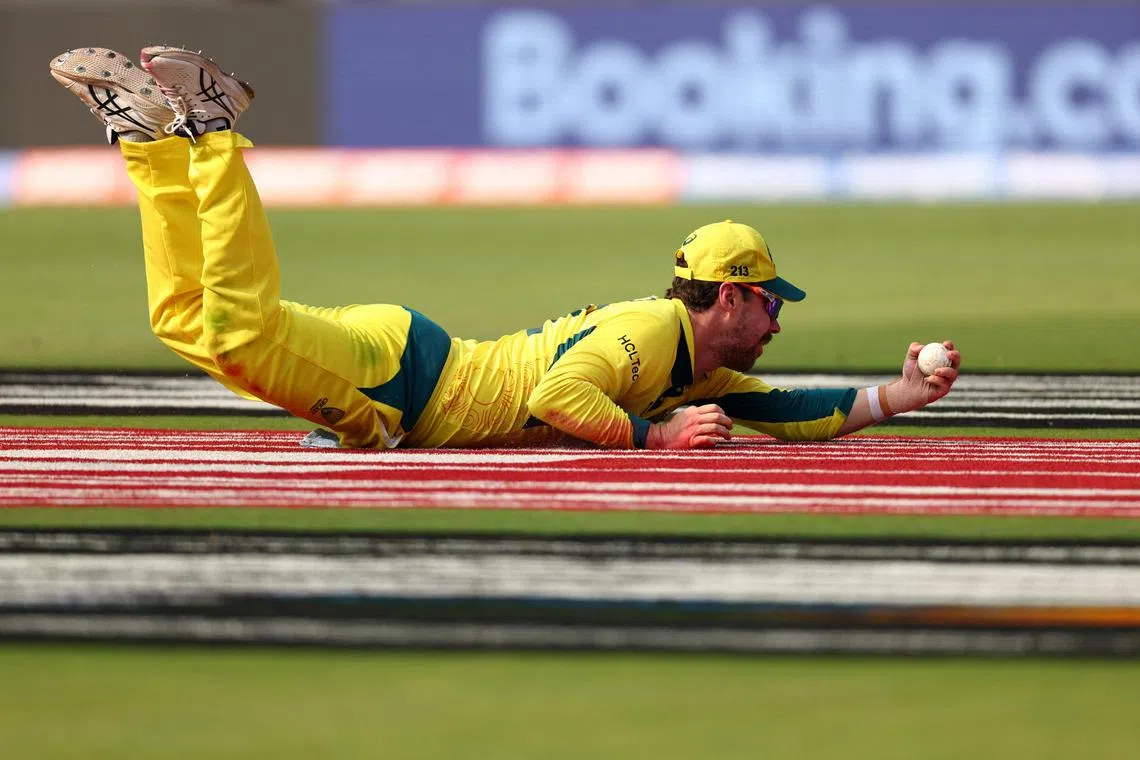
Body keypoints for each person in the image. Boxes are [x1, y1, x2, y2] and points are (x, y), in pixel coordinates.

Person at [49, 45, 961, 451]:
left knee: (185, 322)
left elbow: (789, 408)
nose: (776, 319)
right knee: (236, 332)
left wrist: (900, 395)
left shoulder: (695, 362)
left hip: (401, 371)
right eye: (770, 300)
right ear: (729, 294)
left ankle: (150, 149)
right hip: (408, 377)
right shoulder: (648, 335)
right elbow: (556, 396)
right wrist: (657, 436)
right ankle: (210, 133)